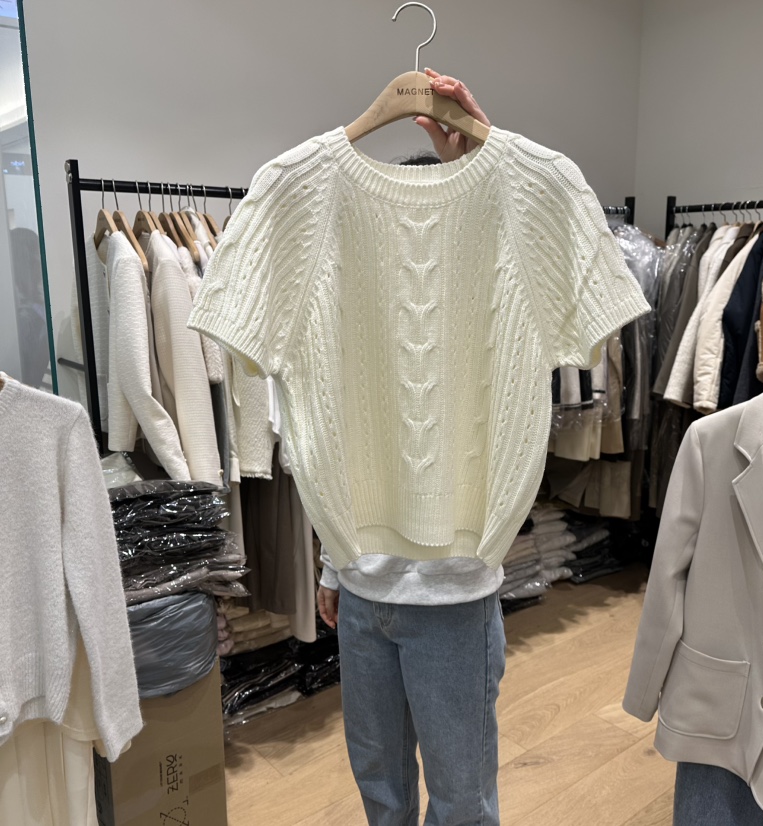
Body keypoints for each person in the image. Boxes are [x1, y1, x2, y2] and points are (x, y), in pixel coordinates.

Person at [317, 69, 504, 826]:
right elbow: (335, 431)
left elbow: (528, 247)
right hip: (364, 586)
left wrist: (481, 159)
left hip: (452, 596)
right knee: (380, 785)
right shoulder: (352, 299)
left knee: (460, 797)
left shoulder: (485, 297)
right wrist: (330, 563)